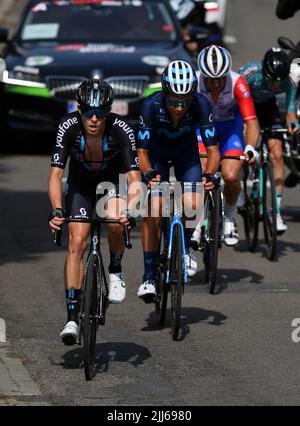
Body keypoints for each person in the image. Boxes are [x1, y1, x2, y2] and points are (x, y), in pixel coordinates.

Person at [48, 79, 141, 345]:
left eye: (100, 113)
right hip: (80, 185)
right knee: (77, 242)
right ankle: (71, 317)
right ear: (79, 108)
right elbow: (55, 174)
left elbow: (134, 178)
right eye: (88, 111)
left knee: (114, 221)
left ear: (109, 111)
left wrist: (131, 210)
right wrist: (56, 209)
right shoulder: (67, 126)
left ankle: (115, 268)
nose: (93, 118)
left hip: (111, 183)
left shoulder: (121, 129)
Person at [137, 59, 220, 303]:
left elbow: (213, 150)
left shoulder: (200, 104)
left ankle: (186, 248)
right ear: (164, 93)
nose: (179, 106)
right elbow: (141, 152)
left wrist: (210, 175)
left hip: (186, 154)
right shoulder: (150, 105)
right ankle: (149, 275)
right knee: (154, 209)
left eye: (184, 100)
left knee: (193, 201)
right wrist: (148, 173)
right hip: (157, 155)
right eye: (174, 100)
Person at [194, 45, 260, 247]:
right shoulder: (194, 81)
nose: (214, 84)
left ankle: (229, 218)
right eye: (210, 79)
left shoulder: (238, 83)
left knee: (231, 176)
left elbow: (250, 121)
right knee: (203, 173)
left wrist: (250, 147)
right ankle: (196, 223)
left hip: (230, 128)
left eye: (219, 79)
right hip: (202, 128)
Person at [239, 47, 300, 233]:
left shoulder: (289, 80)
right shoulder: (250, 74)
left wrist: (293, 125)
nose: (275, 86)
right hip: (244, 104)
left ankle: (276, 211)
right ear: (264, 73)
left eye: (279, 82)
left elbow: (290, 113)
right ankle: (242, 189)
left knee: (277, 154)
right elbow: (236, 103)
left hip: (267, 107)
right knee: (243, 142)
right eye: (272, 81)